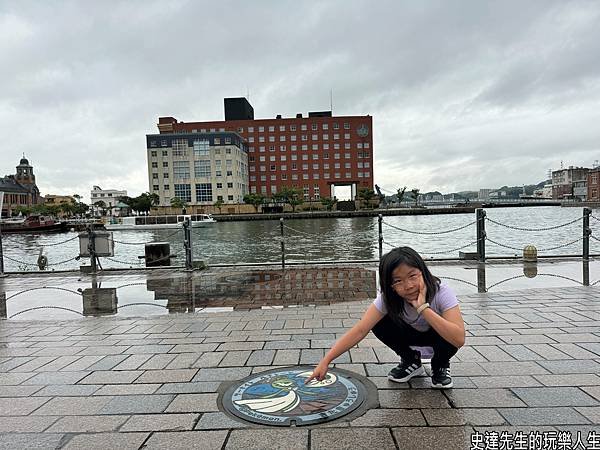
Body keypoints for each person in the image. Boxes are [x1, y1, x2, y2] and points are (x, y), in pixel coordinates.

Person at [307, 246, 465, 389]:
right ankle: (411, 361)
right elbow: (360, 330)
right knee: (378, 322)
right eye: (398, 281)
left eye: (413, 276)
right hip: (409, 335)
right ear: (389, 285)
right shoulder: (387, 299)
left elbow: (458, 338)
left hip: (438, 338)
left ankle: (440, 365)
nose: (408, 285)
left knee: (449, 330)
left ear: (423, 272)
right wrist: (325, 361)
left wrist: (423, 308)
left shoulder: (441, 292)